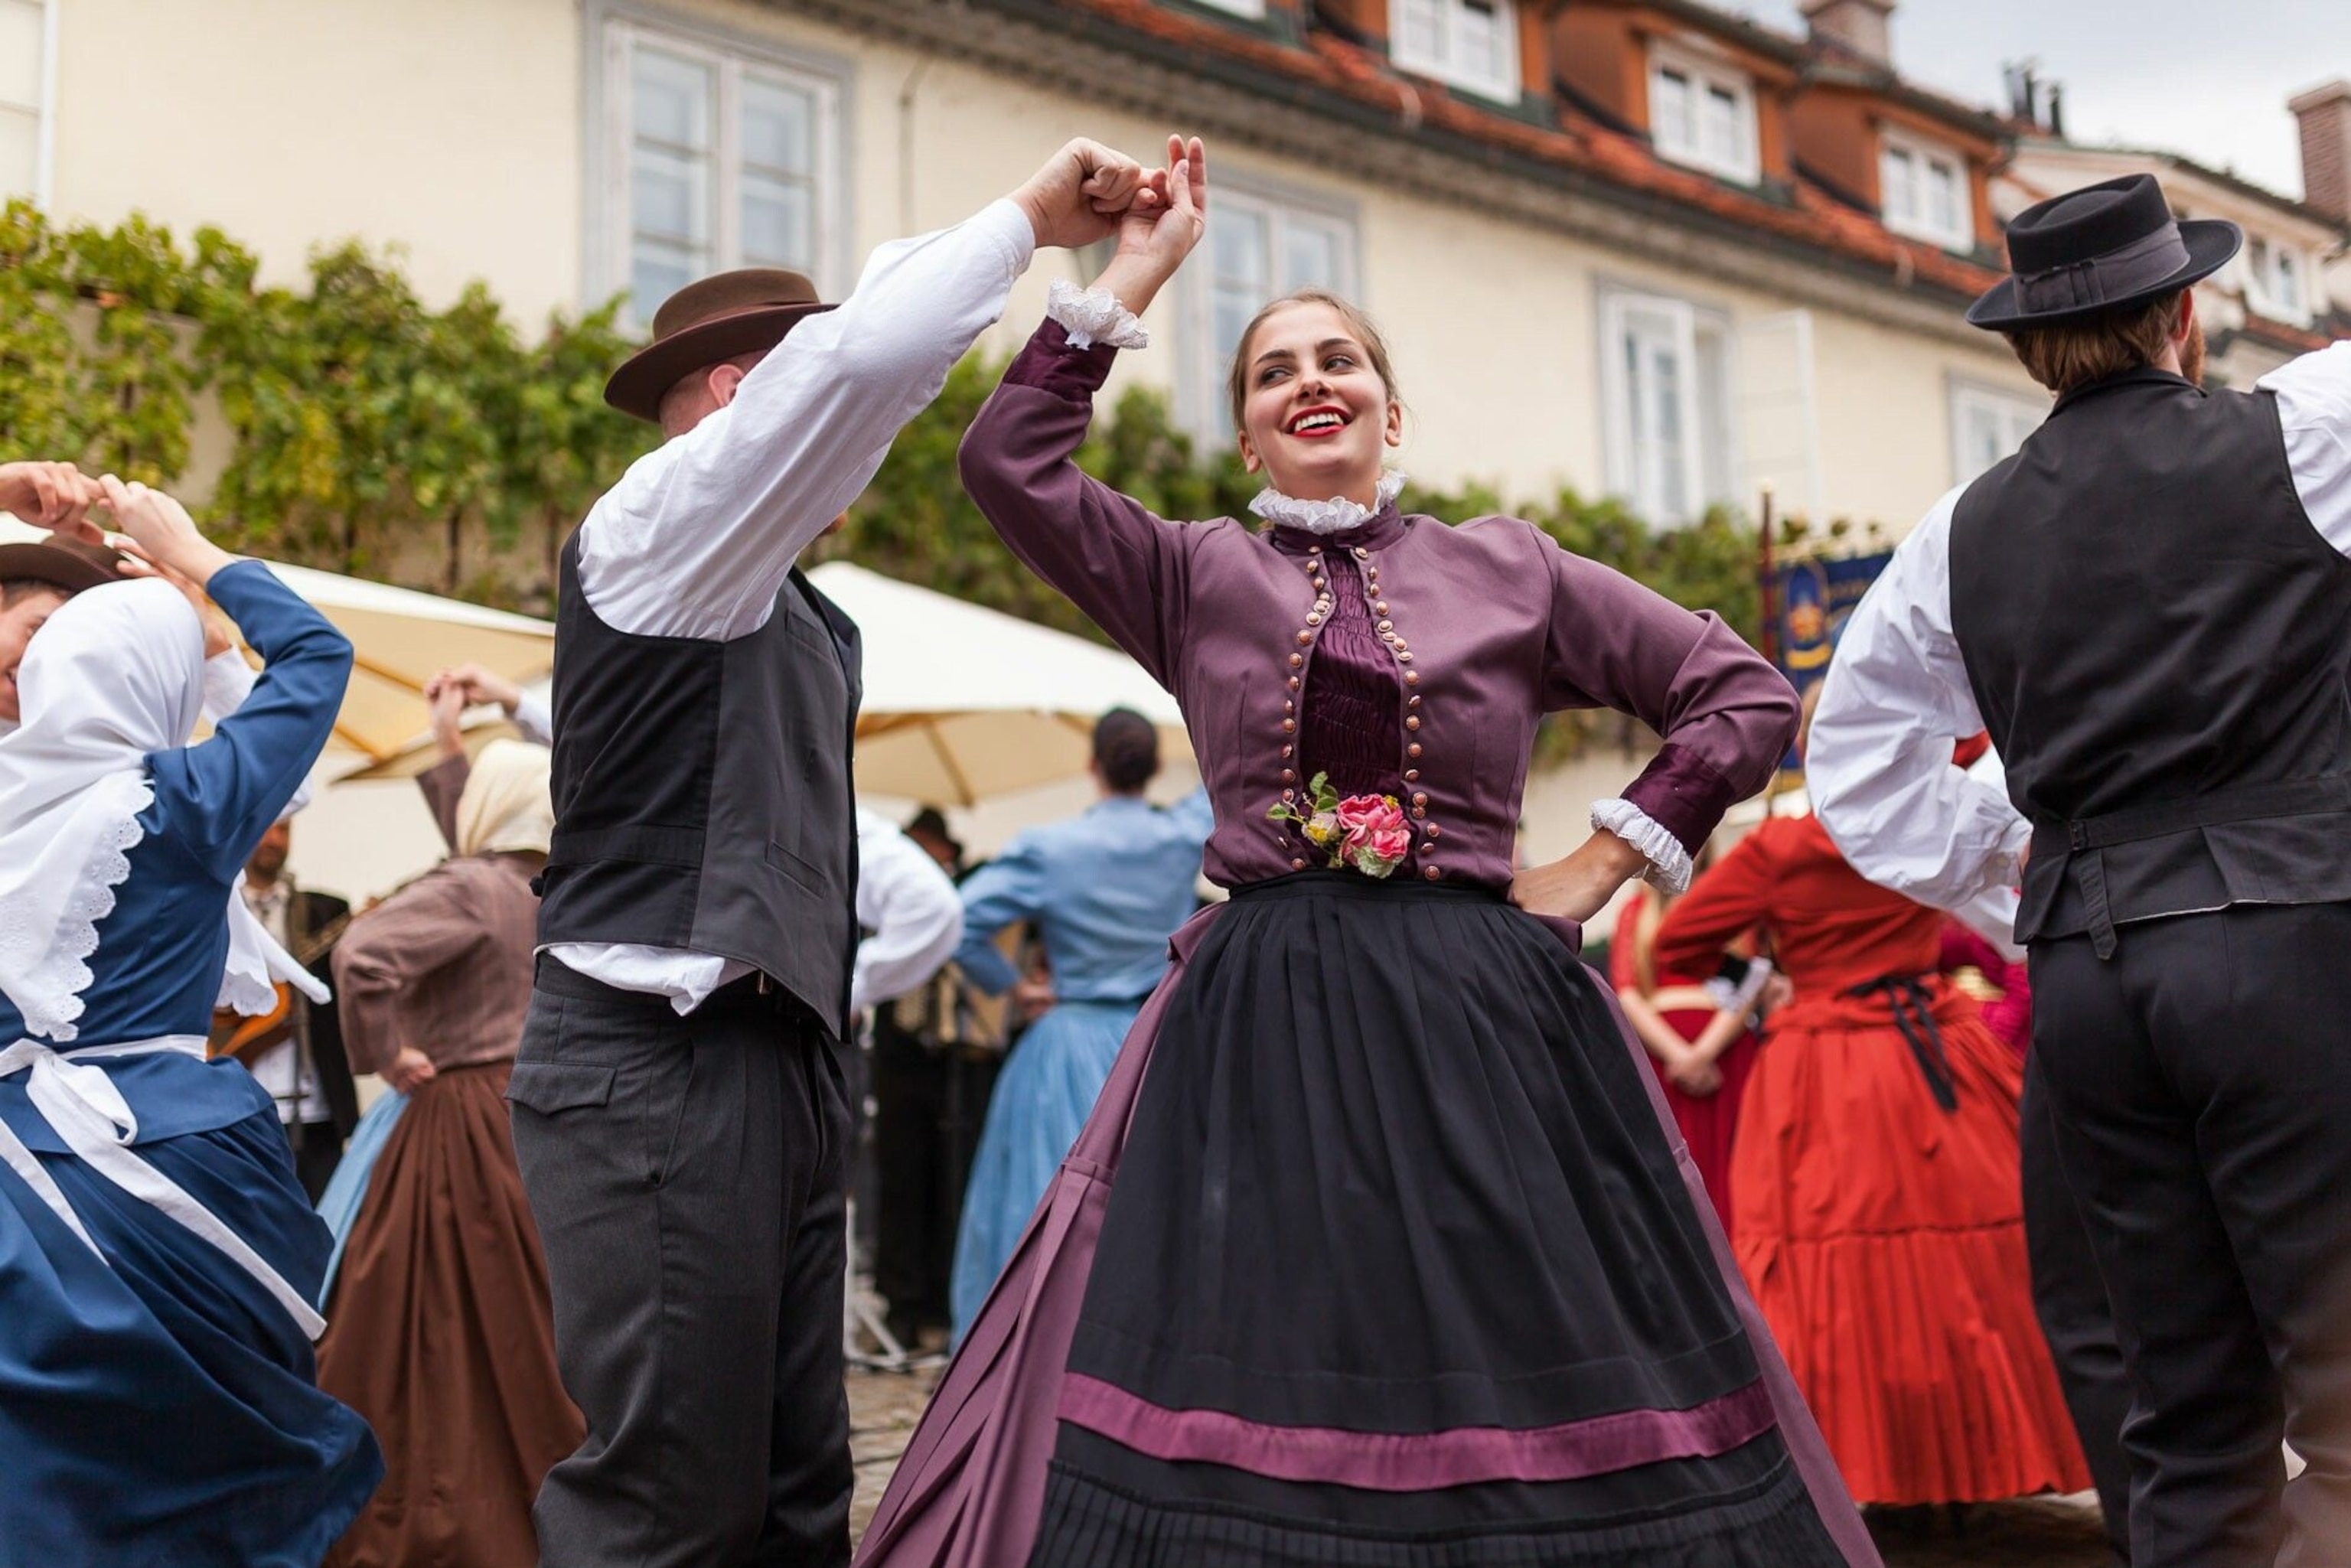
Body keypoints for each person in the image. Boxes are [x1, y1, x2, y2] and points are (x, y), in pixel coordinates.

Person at [862, 137, 1873, 1567]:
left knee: (1520, 1327)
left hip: (1487, 1009)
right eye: (1273, 373)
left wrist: (1592, 865)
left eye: (1336, 360)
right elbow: (1005, 460)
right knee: (1271, 1336)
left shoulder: (1509, 567)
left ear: (1390, 411)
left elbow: (1742, 692)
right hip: (1261, 1019)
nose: (1309, 383)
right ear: (1249, 434)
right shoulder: (1190, 567)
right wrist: (1135, 270)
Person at [504, 138, 1159, 1568]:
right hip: (653, 1059)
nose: (854, 448)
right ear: (745, 398)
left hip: (776, 1060)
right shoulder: (654, 526)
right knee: (667, 1505)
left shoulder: (787, 609)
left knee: (798, 1494)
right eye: (802, 393)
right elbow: (867, 361)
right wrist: (1037, 220)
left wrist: (1111, 290)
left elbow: (885, 890)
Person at [1807, 171, 2351, 1565]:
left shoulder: (1954, 531)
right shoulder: (2305, 427)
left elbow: (1858, 774)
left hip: (2093, 986)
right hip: (2292, 947)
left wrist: (2042, 876)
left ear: (2025, 345)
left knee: (2182, 1419)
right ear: (2185, 311)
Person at [0, 478, 380, 1563]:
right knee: (207, 1452)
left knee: (49, 1461)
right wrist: (201, 561)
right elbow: (314, 662)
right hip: (174, 1157)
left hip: (17, 1186)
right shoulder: (187, 804)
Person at [1652, 687, 2090, 1509]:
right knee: (1974, 1260)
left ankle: (1850, 1474)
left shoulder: (1779, 852)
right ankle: (1978, 1462)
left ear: (1812, 751)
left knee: (1834, 1271)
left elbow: (1681, 942)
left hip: (1826, 1069)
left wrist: (1765, 987)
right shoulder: (1917, 831)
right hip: (1934, 1053)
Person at [312, 677, 580, 1568]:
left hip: (455, 1124)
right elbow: (488, 825)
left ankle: (433, 1500)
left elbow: (361, 955)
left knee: (419, 1327)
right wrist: (450, 750)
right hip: (531, 1118)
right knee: (525, 1326)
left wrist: (383, 1055)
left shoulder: (468, 888)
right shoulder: (550, 885)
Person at [946, 709, 1211, 1341]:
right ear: (1152, 769)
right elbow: (1224, 779)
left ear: (1091, 767)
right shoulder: (1183, 835)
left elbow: (956, 920)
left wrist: (1015, 986)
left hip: (1062, 1043)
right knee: (1152, 1208)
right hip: (1154, 1042)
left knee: (1039, 1208)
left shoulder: (1051, 848)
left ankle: (1025, 1356)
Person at [1606, 871, 1772, 1240]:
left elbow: (1749, 984)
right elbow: (1627, 991)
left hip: (1727, 1058)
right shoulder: (1636, 911)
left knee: (1736, 1165)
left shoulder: (1732, 909)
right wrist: (1680, 1054)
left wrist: (1703, 1052)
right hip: (1660, 1062)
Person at [238, 817, 358, 1200]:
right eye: (266, 827)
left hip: (315, 1109)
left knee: (325, 1220)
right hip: (241, 1105)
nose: (274, 839)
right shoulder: (214, 913)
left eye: (284, 829)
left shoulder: (325, 910)